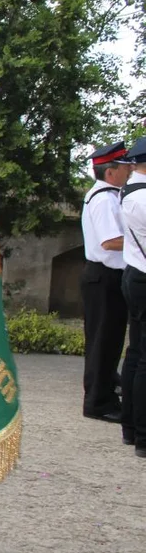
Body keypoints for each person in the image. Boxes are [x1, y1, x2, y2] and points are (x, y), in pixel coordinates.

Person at [81, 142, 132, 422]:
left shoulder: (109, 195)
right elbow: (110, 241)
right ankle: (98, 402)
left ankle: (105, 391)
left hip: (105, 276)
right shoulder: (104, 200)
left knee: (106, 340)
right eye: (124, 167)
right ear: (111, 172)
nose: (129, 171)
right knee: (104, 341)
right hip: (104, 276)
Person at [120, 136, 146, 458]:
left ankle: (130, 427)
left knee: (137, 351)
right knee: (144, 358)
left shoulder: (131, 191)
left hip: (134, 273)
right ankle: (143, 435)